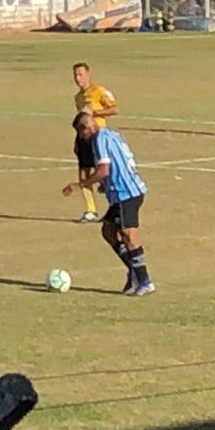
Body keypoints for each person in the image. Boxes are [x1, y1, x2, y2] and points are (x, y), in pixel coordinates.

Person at [62, 112, 153, 295]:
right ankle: (134, 272)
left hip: (125, 193)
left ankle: (144, 281)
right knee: (109, 231)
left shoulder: (98, 140)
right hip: (126, 190)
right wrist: (106, 184)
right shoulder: (112, 134)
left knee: (128, 236)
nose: (81, 138)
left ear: (86, 128)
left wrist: (80, 185)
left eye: (81, 134)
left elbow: (103, 170)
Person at [71, 63, 118, 223]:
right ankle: (90, 210)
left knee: (103, 174)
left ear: (88, 75)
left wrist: (94, 112)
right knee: (83, 173)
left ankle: (114, 208)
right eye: (75, 75)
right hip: (83, 137)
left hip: (98, 136)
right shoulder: (78, 97)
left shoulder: (98, 91)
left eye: (81, 74)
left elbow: (113, 109)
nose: (78, 78)